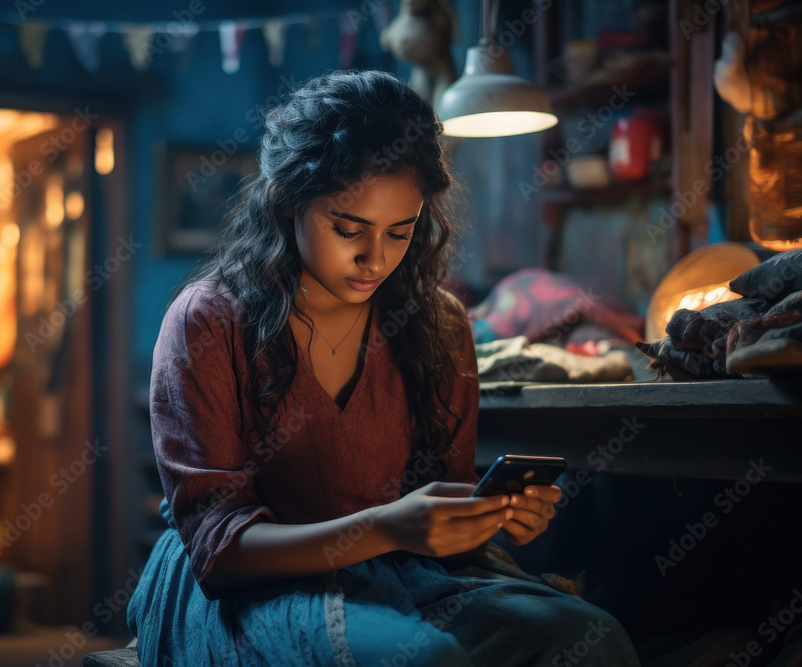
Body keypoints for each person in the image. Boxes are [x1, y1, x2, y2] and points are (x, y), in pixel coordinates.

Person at [127, 70, 641, 666]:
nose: (375, 259)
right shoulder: (209, 322)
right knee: (420, 660)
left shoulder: (438, 325)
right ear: (287, 200)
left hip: (401, 569)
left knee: (592, 638)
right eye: (348, 229)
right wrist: (389, 528)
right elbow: (220, 552)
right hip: (247, 587)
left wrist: (488, 518)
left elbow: (440, 498)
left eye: (401, 232)